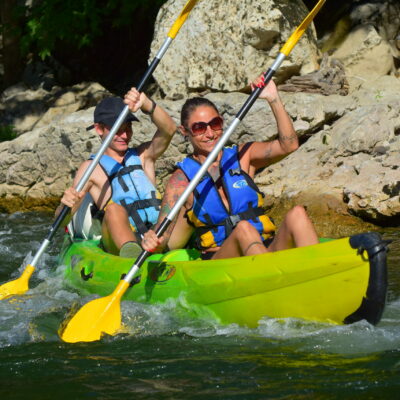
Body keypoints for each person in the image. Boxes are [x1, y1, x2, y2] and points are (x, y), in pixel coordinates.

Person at [141, 75, 319, 259]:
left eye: (215, 124)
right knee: (243, 229)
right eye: (200, 128)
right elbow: (164, 232)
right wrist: (153, 239)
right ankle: (270, 277)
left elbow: (288, 145)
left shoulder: (243, 156)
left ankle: (323, 276)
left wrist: (273, 98)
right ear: (185, 131)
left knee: (297, 214)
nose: (210, 134)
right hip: (222, 258)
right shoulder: (181, 180)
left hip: (263, 246)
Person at [58, 88, 177, 257]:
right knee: (114, 209)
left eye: (128, 128)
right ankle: (132, 255)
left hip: (157, 234)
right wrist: (65, 205)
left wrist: (147, 104)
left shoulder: (144, 156)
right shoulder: (91, 168)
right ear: (100, 129)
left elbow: (169, 129)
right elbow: (63, 218)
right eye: (118, 129)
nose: (124, 135)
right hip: (120, 240)